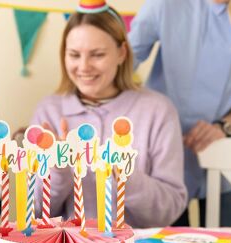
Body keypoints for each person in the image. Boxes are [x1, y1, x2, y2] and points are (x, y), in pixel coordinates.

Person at [30, 0, 187, 228]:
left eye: (97, 54)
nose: (84, 67)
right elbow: (31, 214)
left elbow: (169, 211)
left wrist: (125, 177)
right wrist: (58, 170)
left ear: (122, 53)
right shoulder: (49, 112)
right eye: (74, 55)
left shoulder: (158, 111)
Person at [128, 0, 231, 226]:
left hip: (226, 145)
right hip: (165, 149)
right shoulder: (166, 5)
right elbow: (123, 60)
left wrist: (224, 126)